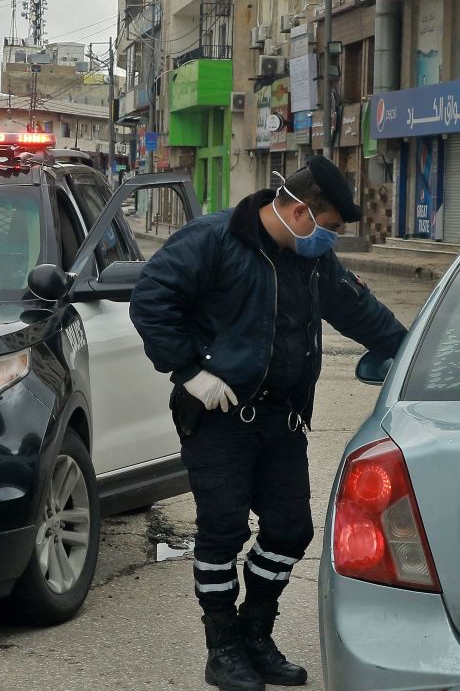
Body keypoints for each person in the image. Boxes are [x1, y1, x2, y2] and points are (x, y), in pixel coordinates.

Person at [130, 156, 407, 691]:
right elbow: (150, 298)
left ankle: (257, 634)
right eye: (328, 229)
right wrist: (189, 370)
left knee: (289, 530)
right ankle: (223, 646)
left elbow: (358, 310)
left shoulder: (312, 261)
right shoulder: (213, 240)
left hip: (282, 420)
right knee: (224, 529)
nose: (330, 241)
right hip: (218, 417)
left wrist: (409, 352)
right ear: (302, 212)